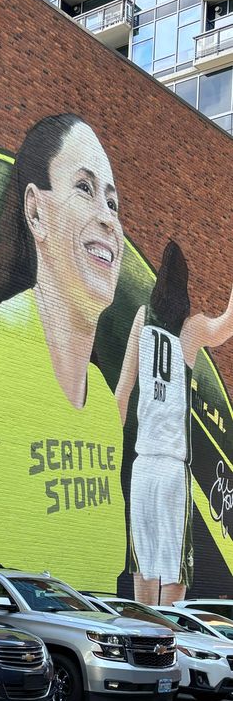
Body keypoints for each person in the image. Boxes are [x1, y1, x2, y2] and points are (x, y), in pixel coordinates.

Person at [0, 114, 126, 588]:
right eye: (84, 188)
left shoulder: (99, 402)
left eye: (113, 202)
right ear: (35, 212)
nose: (108, 217)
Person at [116, 240, 233, 605]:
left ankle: (143, 641)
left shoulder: (141, 318)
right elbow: (226, 326)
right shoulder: (193, 328)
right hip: (170, 466)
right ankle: (169, 641)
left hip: (142, 465)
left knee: (143, 565)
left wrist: (106, 443)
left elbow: (122, 390)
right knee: (176, 566)